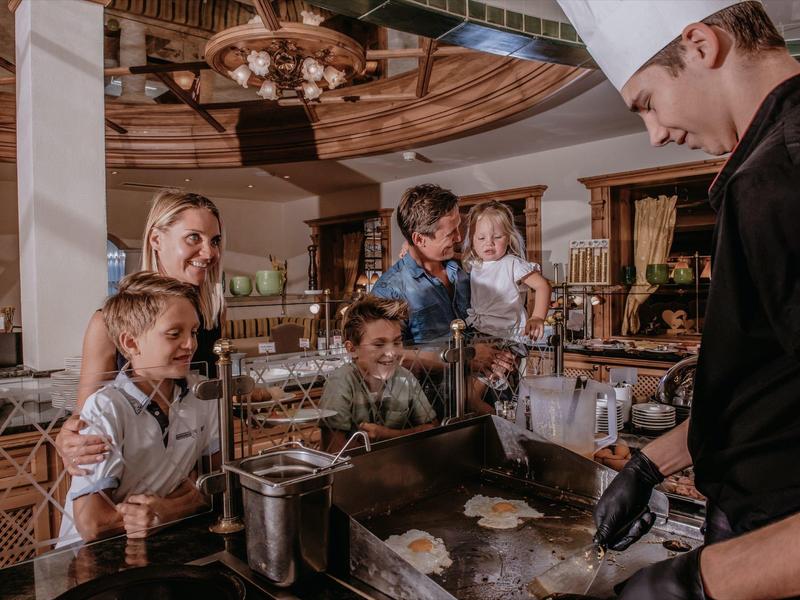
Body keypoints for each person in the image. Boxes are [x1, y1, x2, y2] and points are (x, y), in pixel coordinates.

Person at [557, 1, 800, 598]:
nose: (656, 132)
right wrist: (651, 464)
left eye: (646, 102)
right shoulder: (763, 165)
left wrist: (698, 582)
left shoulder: (786, 169)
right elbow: (771, 393)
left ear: (700, 45)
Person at [56, 190, 225, 477]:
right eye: (193, 238)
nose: (209, 252)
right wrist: (68, 438)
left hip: (195, 475)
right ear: (156, 239)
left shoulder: (212, 315)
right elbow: (85, 417)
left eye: (215, 240)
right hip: (134, 484)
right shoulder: (106, 323)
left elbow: (208, 400)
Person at [57, 273, 217, 547]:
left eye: (193, 332)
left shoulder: (204, 394)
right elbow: (93, 524)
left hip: (153, 545)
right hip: (83, 558)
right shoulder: (106, 407)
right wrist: (183, 501)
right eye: (174, 334)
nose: (191, 344)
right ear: (131, 343)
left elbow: (217, 482)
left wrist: (169, 511)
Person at [372, 184, 515, 414]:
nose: (459, 238)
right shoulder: (390, 289)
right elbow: (384, 357)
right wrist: (466, 357)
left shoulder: (465, 269)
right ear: (419, 239)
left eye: (459, 228)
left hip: (491, 397)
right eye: (451, 233)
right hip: (432, 412)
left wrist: (496, 353)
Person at [320, 295, 437, 453]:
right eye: (379, 344)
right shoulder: (340, 382)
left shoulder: (405, 377)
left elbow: (433, 430)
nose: (391, 353)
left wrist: (388, 435)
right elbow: (334, 451)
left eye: (397, 342)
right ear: (352, 349)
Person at [462, 200, 551, 343]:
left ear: (509, 238)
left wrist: (537, 317)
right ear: (472, 240)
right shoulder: (474, 265)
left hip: (510, 336)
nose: (489, 242)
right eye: (481, 238)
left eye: (497, 237)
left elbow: (542, 286)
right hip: (480, 333)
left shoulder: (512, 264)